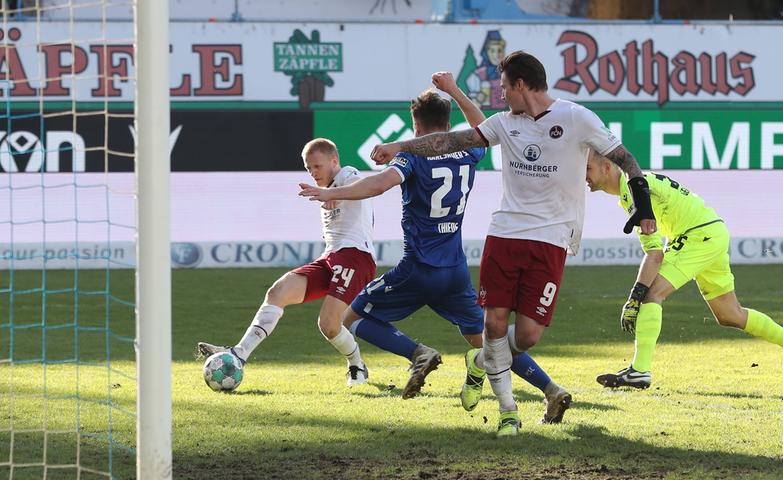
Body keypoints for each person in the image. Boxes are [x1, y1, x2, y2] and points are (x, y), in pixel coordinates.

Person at [370, 51, 657, 436]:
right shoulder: (504, 124)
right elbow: (449, 141)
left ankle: (482, 362)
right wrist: (401, 146)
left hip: (553, 239)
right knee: (493, 323)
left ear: (521, 85)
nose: (501, 94)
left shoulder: (576, 117)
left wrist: (643, 205)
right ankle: (508, 413)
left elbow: (626, 159)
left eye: (504, 86)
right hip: (505, 234)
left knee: (526, 337)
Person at [299, 73, 573, 425]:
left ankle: (419, 353)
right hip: (454, 271)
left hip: (417, 269)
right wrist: (455, 90)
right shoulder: (468, 150)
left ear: (416, 126)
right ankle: (550, 389)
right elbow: (483, 128)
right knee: (487, 340)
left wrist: (330, 193)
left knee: (354, 317)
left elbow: (379, 184)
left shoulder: (412, 156)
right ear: (446, 124)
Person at [585, 151, 783, 388]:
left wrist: (634, 298)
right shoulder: (635, 187)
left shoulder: (634, 190)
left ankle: (640, 371)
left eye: (587, 168)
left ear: (606, 167)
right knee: (730, 315)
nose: (583, 176)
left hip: (698, 235)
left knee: (651, 294)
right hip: (710, 232)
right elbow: (655, 249)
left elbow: (655, 255)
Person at [197, 138, 376, 387]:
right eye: (308, 168)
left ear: (334, 161)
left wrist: (332, 193)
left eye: (317, 166)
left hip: (355, 257)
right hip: (330, 257)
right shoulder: (325, 189)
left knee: (329, 325)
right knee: (277, 292)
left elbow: (364, 186)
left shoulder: (348, 175)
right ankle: (238, 354)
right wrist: (328, 193)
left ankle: (357, 365)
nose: (313, 173)